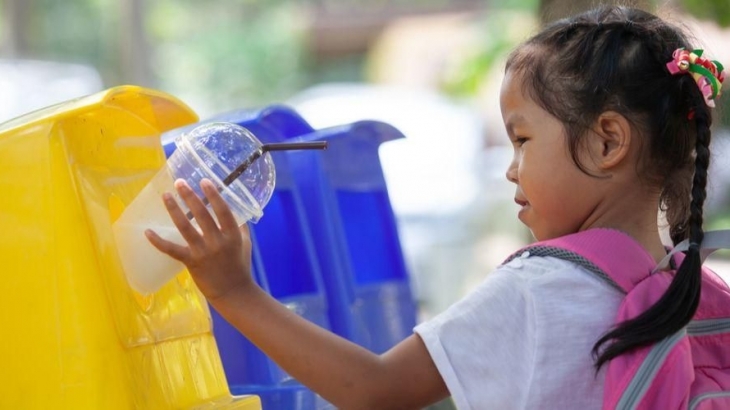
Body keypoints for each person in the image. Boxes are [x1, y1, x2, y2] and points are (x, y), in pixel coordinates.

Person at [145, 6, 726, 409]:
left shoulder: (539, 288)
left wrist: (232, 290)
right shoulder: (696, 294)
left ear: (607, 142)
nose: (510, 167)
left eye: (522, 140)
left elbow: (374, 391)